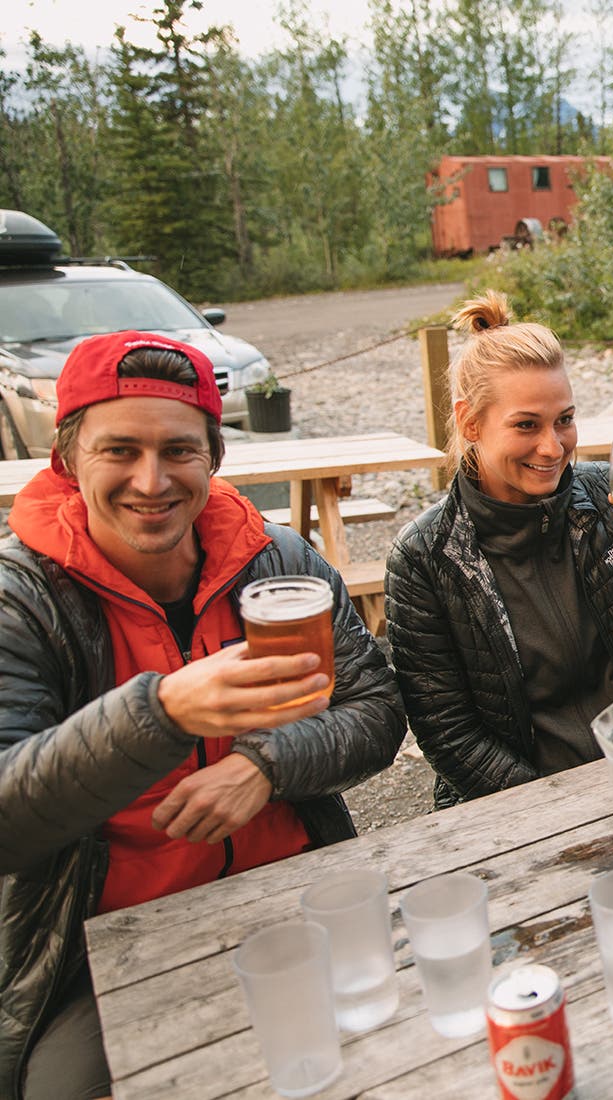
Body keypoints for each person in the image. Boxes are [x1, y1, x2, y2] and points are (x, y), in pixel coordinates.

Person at [0, 331, 405, 1099]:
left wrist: (266, 764)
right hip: (106, 945)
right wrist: (160, 714)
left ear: (213, 458)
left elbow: (377, 711)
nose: (151, 481)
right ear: (66, 459)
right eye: (119, 450)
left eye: (178, 451)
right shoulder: (24, 599)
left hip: (294, 891)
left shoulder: (275, 561)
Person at [384, 292, 613, 808]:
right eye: (526, 425)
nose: (553, 446)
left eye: (564, 419)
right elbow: (449, 736)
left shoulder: (611, 497)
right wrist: (561, 809)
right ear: (470, 423)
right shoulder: (425, 557)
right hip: (518, 810)